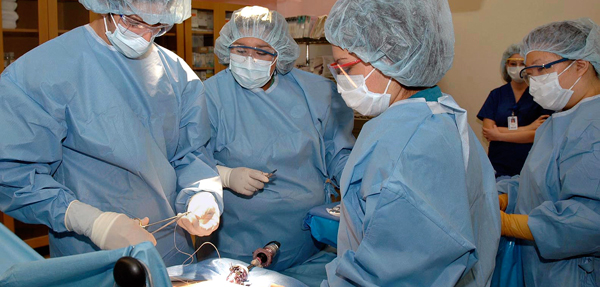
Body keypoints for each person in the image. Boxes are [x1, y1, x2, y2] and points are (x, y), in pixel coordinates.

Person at [0, 0, 223, 267]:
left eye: (158, 27)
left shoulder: (177, 74)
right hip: (88, 254)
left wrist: (200, 195)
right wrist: (91, 222)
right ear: (106, 5)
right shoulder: (46, 69)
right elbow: (14, 174)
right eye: (133, 21)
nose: (145, 36)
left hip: (170, 250)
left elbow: (192, 154)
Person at [321, 0, 501, 286]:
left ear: (390, 57)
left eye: (346, 67)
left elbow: (389, 275)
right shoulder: (443, 112)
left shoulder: (405, 142)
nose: (341, 79)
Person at [198, 6, 355, 286]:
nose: (250, 59)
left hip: (308, 240)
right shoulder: (210, 96)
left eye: (262, 52)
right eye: (241, 49)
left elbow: (339, 153)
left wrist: (360, 185)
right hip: (237, 242)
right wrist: (224, 175)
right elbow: (189, 159)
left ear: (279, 53)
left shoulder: (315, 93)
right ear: (227, 49)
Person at [498, 18, 600, 287]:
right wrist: (506, 196)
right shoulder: (559, 120)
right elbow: (542, 185)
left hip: (578, 272)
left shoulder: (594, 125)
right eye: (529, 74)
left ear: (581, 64)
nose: (534, 82)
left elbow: (590, 221)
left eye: (541, 69)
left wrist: (510, 225)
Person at [478, 44, 553, 178]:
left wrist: (499, 134)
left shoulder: (540, 94)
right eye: (513, 63)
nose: (518, 68)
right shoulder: (496, 95)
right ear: (505, 66)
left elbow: (539, 134)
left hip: (531, 164)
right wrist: (528, 128)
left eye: (522, 63)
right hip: (499, 164)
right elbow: (489, 132)